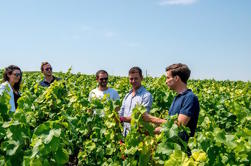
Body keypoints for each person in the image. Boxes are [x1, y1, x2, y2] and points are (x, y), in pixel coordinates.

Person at [143, 63, 200, 142]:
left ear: (176, 78)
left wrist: (151, 119)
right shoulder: (177, 98)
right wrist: (150, 131)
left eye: (168, 78)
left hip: (182, 150)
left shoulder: (190, 98)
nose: (166, 81)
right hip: (172, 147)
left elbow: (179, 125)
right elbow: (169, 127)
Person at [119, 66, 153, 137]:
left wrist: (121, 119)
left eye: (136, 78)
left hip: (138, 134)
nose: (133, 81)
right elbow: (121, 112)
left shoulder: (146, 95)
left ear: (141, 78)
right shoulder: (127, 95)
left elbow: (142, 117)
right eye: (131, 79)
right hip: (125, 133)